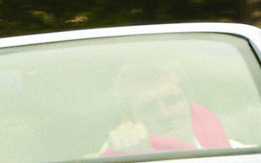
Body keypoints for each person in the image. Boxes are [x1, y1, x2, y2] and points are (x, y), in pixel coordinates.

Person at [100, 64, 234, 155]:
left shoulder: (241, 154)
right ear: (130, 119)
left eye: (172, 101)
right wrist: (131, 160)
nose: (164, 115)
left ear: (189, 101)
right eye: (148, 107)